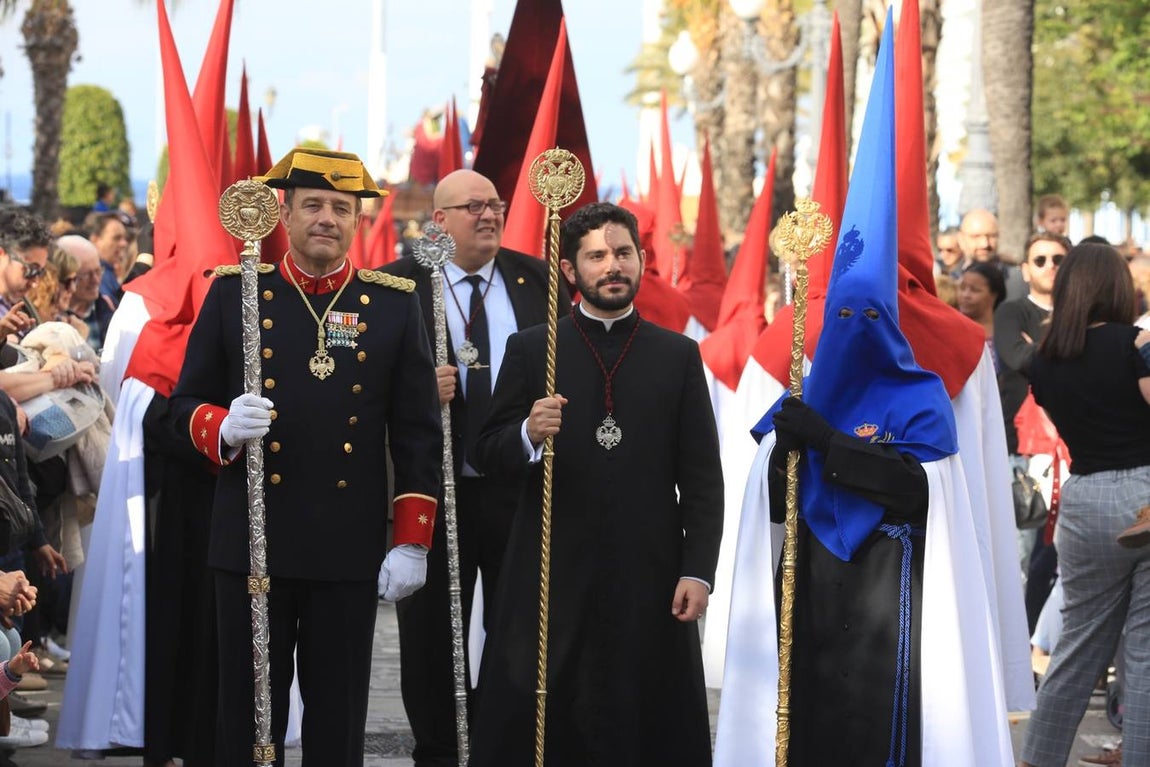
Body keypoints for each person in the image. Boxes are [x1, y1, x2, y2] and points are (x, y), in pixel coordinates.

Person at [168, 147, 443, 767]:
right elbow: (179, 406)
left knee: (338, 719)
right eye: (313, 205)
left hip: (345, 543)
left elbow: (418, 433)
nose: (326, 218)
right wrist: (222, 426)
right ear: (284, 214)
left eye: (341, 209)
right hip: (251, 540)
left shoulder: (393, 304)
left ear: (358, 222)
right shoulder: (236, 293)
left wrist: (412, 540)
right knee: (245, 718)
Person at [468, 202, 723, 766]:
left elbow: (703, 477)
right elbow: (485, 453)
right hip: (551, 568)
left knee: (646, 718)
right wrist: (528, 433)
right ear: (569, 269)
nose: (613, 266)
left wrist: (697, 570)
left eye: (624, 253)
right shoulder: (533, 349)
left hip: (650, 571)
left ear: (642, 259)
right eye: (598, 256)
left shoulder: (678, 355)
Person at [381, 168, 560, 767]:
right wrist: (414, 389)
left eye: (496, 204)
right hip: (433, 488)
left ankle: (502, 746)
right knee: (432, 632)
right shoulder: (397, 285)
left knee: (520, 626)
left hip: (517, 483)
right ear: (439, 221)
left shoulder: (537, 279)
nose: (490, 215)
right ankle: (438, 750)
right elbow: (366, 384)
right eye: (474, 206)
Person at [1019, 243, 1150, 767]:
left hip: (1084, 498)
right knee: (1144, 651)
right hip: (1143, 493)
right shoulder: (1134, 344)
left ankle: (1038, 758)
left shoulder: (1044, 361)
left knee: (1075, 648)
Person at [0, 208, 51, 340]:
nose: (35, 283)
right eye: (31, 270)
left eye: (40, 272)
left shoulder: (24, 306)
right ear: (1, 254)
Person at [957, 260, 1006, 372]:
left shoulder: (1006, 331)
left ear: (994, 295)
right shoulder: (949, 327)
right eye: (962, 288)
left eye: (975, 290)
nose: (966, 295)